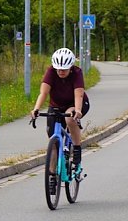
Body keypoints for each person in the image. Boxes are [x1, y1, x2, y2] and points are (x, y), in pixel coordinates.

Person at [30, 48, 90, 192]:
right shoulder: (51, 72)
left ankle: (76, 149)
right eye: (58, 69)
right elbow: (43, 93)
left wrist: (77, 110)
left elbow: (79, 95)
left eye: (64, 69)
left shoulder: (77, 73)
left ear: (70, 67)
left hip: (74, 105)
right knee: (54, 143)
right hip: (56, 106)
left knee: (70, 119)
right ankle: (52, 176)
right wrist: (36, 109)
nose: (61, 72)